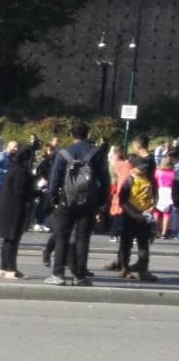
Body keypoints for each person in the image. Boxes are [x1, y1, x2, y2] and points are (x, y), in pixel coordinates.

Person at [44, 122, 108, 286]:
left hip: (67, 200)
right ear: (88, 135)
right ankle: (80, 275)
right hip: (89, 201)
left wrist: (54, 200)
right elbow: (105, 179)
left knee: (62, 237)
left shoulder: (63, 153)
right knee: (83, 238)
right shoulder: (96, 153)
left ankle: (58, 273)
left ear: (72, 135)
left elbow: (54, 179)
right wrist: (101, 202)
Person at [0, 139, 37, 279]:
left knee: (7, 240)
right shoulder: (21, 171)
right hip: (15, 209)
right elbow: (21, 191)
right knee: (13, 240)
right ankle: (11, 269)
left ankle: (3, 267)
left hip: (7, 209)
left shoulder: (12, 167)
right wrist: (37, 191)